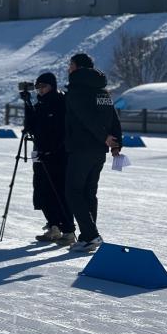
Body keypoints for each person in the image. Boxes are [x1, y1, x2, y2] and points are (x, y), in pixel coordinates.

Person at [65, 53, 122, 252]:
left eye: (71, 65)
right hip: (99, 151)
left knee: (73, 192)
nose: (68, 68)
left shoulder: (77, 89)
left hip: (82, 148)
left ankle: (90, 235)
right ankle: (88, 237)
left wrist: (104, 136)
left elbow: (85, 117)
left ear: (78, 67)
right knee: (89, 193)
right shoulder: (102, 91)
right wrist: (115, 143)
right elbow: (113, 118)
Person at [20, 73, 75, 245]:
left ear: (52, 86)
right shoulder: (40, 104)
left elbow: (63, 132)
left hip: (58, 156)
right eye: (38, 87)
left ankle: (68, 230)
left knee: (59, 192)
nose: (41, 90)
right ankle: (53, 226)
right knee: (42, 191)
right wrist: (27, 103)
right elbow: (31, 125)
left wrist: (52, 150)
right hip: (40, 153)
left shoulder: (61, 102)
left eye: (44, 86)